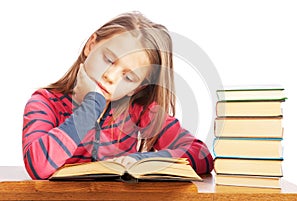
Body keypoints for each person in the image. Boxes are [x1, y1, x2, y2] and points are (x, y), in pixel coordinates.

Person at [22, 11, 214, 179]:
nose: (110, 77)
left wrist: (141, 160)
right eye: (108, 59)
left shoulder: (139, 113)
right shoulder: (45, 102)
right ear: (91, 45)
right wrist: (92, 107)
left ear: (136, 88)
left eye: (129, 77)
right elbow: (38, 166)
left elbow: (202, 155)